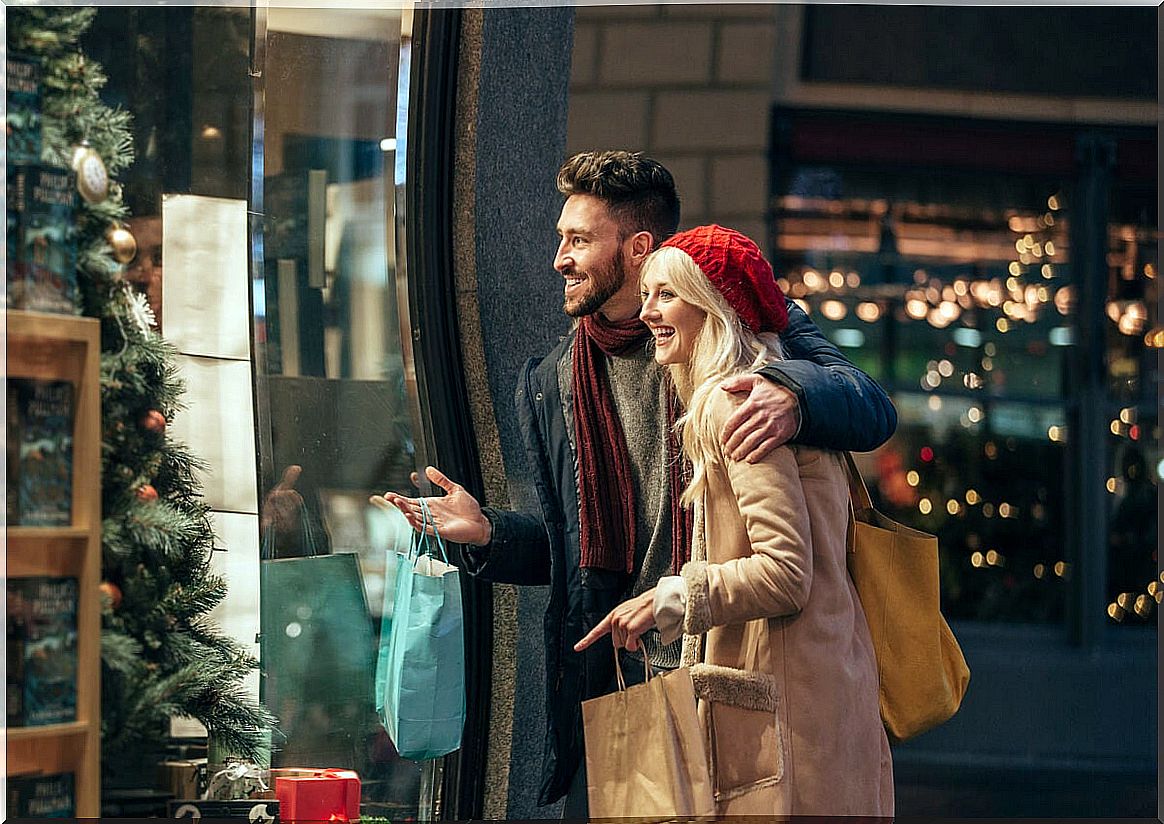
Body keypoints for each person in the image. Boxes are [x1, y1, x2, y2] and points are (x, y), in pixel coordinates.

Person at [378, 151, 896, 814]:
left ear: (639, 247)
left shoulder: (736, 337)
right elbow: (580, 552)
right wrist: (490, 533)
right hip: (629, 677)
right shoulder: (553, 382)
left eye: (578, 240)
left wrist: (791, 394)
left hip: (734, 668)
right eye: (560, 239)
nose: (560, 259)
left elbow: (871, 406)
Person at [574, 224, 892, 816]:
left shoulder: (735, 400)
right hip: (819, 690)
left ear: (712, 305)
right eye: (647, 294)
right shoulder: (761, 389)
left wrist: (671, 598)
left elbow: (784, 573)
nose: (647, 313)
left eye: (666, 294)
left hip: (787, 712)